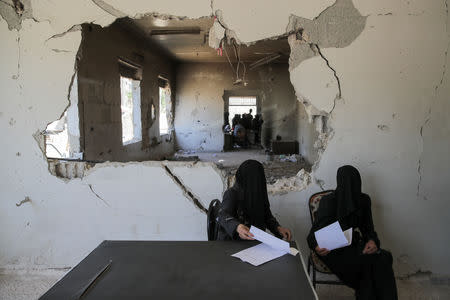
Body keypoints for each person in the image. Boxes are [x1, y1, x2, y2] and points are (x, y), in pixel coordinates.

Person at [307, 165, 397, 300]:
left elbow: (368, 229)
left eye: (353, 184)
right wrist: (316, 246)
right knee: (366, 267)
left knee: (384, 258)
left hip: (353, 244)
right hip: (332, 251)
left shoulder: (363, 200)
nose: (350, 190)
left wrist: (372, 241)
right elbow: (313, 235)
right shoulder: (329, 202)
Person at [217, 160, 292, 241]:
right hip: (232, 242)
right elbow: (223, 215)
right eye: (252, 180)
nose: (256, 184)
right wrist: (237, 227)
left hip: (253, 241)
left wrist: (278, 228)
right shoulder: (232, 193)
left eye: (258, 180)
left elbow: (266, 216)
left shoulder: (258, 193)